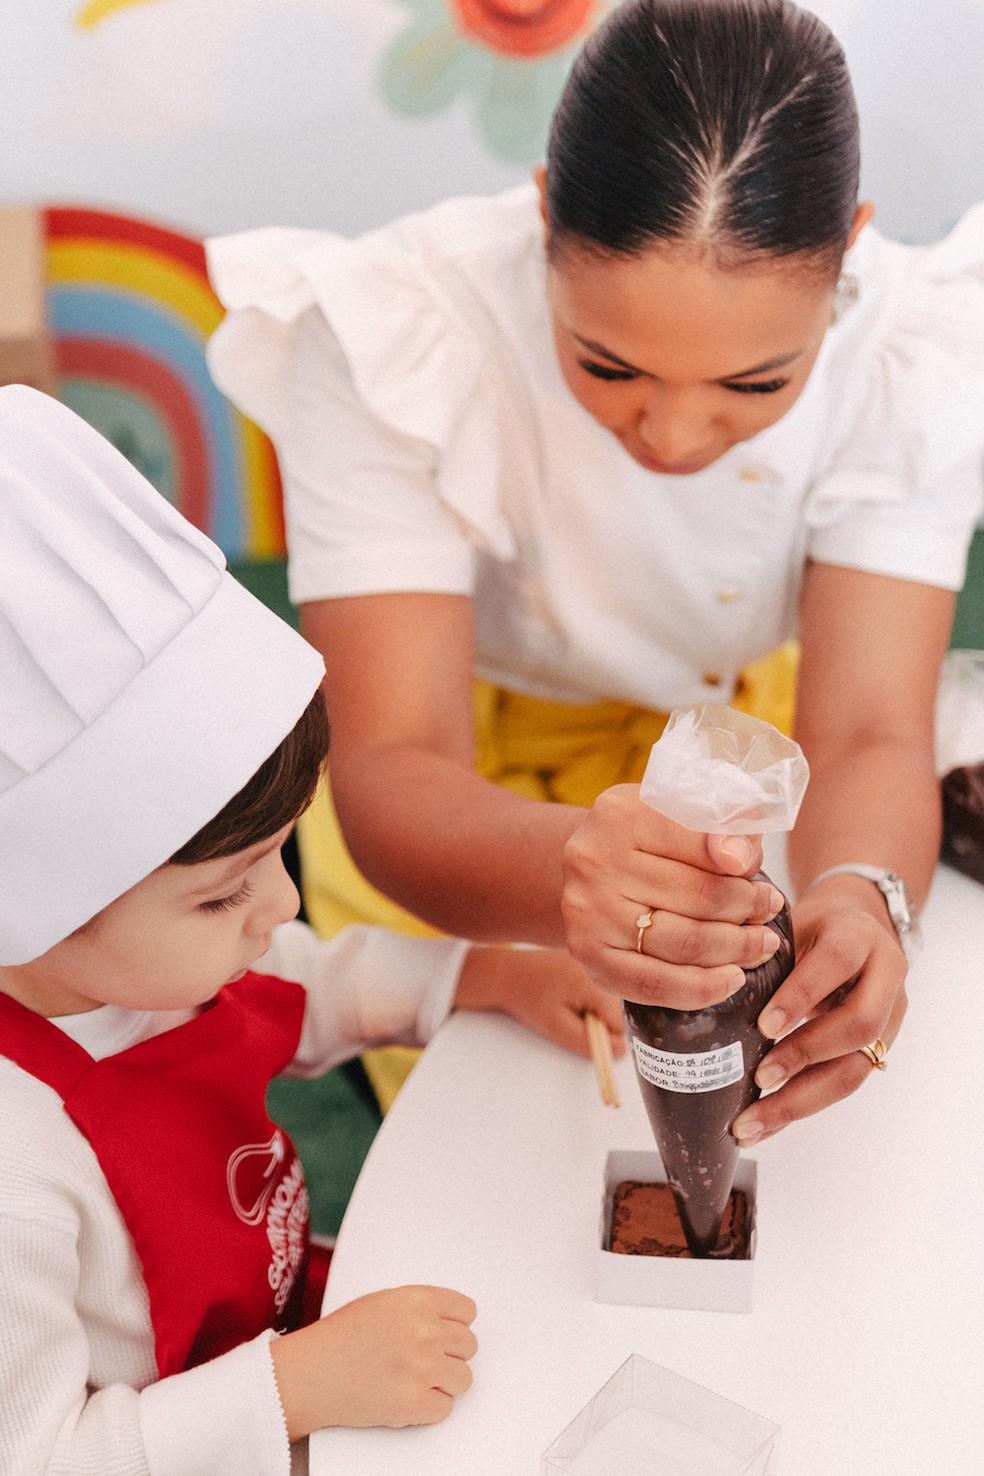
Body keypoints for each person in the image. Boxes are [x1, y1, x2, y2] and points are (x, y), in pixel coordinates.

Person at [205, 0, 984, 1136]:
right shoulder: (394, 335)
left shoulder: (913, 354)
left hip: (752, 753)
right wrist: (569, 863)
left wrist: (863, 895)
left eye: (755, 385)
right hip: (471, 794)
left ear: (849, 249)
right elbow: (390, 765)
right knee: (509, 1148)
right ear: (543, 216)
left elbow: (867, 725)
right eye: (607, 364)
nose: (672, 435)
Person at [0, 384, 615, 1475]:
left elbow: (306, 984)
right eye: (225, 893)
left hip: (284, 1332)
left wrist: (485, 977)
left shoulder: (146, 957)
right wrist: (300, 1387)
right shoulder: (16, 1173)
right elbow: (43, 1453)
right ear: (34, 915)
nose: (281, 908)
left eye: (280, 856)